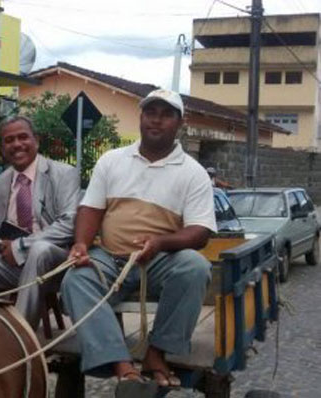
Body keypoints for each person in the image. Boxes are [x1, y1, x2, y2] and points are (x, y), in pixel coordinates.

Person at [61, 89, 217, 394]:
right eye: (150, 113)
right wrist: (81, 244)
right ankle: (122, 366)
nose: (156, 120)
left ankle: (157, 352)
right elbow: (90, 209)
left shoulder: (193, 173)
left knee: (195, 268)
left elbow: (199, 232)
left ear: (179, 123)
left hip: (160, 261)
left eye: (166, 114)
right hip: (109, 255)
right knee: (75, 278)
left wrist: (159, 242)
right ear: (141, 117)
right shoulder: (112, 160)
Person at [0, 116, 80, 329]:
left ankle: (20, 336)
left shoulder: (63, 173)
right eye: (9, 140)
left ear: (36, 140)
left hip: (54, 262)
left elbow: (69, 223)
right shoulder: (0, 182)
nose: (17, 144)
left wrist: (21, 246)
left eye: (22, 137)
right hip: (11, 261)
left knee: (40, 249)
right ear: (2, 147)